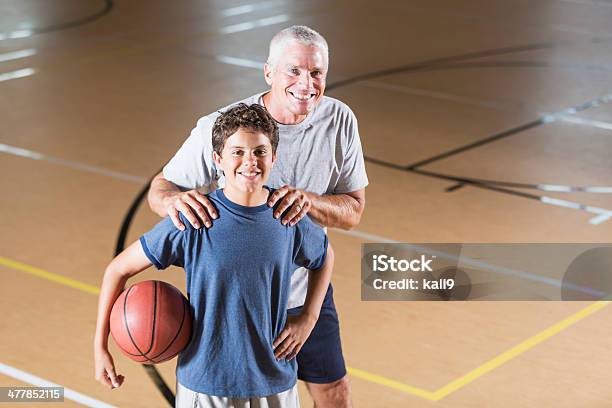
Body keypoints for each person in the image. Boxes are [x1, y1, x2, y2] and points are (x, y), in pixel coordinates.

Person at [148, 25, 368, 407]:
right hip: (237, 300)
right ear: (269, 72)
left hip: (303, 290)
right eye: (293, 71)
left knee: (334, 392)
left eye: (316, 73)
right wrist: (173, 204)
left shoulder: (339, 120)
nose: (306, 83)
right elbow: (160, 188)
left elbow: (352, 212)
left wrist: (306, 202)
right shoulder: (225, 128)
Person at [94, 103, 334, 408]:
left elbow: (324, 257)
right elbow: (117, 270)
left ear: (274, 157)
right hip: (206, 383)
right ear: (218, 159)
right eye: (237, 152)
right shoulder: (193, 217)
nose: (250, 161)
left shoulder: (287, 216)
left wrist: (308, 318)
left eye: (260, 151)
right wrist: (100, 345)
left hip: (274, 378)